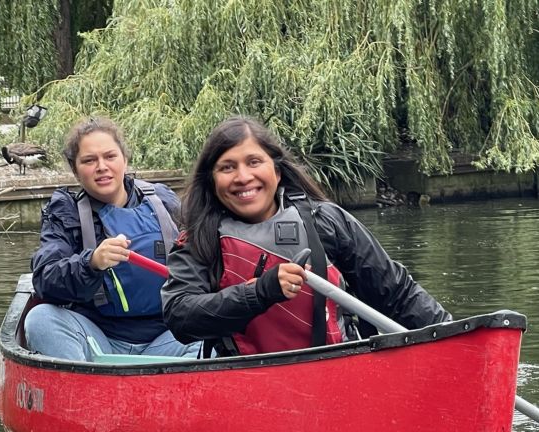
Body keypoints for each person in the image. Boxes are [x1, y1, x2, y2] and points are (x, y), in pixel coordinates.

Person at [161, 116, 451, 357]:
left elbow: (397, 294)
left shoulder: (325, 222)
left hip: (339, 372)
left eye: (254, 162)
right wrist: (261, 292)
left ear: (276, 170)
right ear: (212, 180)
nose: (242, 177)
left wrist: (455, 334)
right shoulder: (200, 238)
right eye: (227, 167)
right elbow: (181, 317)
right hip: (246, 381)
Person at [24, 116, 200, 361]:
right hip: (99, 341)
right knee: (40, 319)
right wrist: (91, 263)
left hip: (169, 337)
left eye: (110, 156)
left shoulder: (163, 201)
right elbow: (46, 279)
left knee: (217, 328)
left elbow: (203, 260)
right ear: (75, 169)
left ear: (124, 160)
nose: (101, 167)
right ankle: (84, 389)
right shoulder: (65, 212)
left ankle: (182, 386)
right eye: (89, 160)